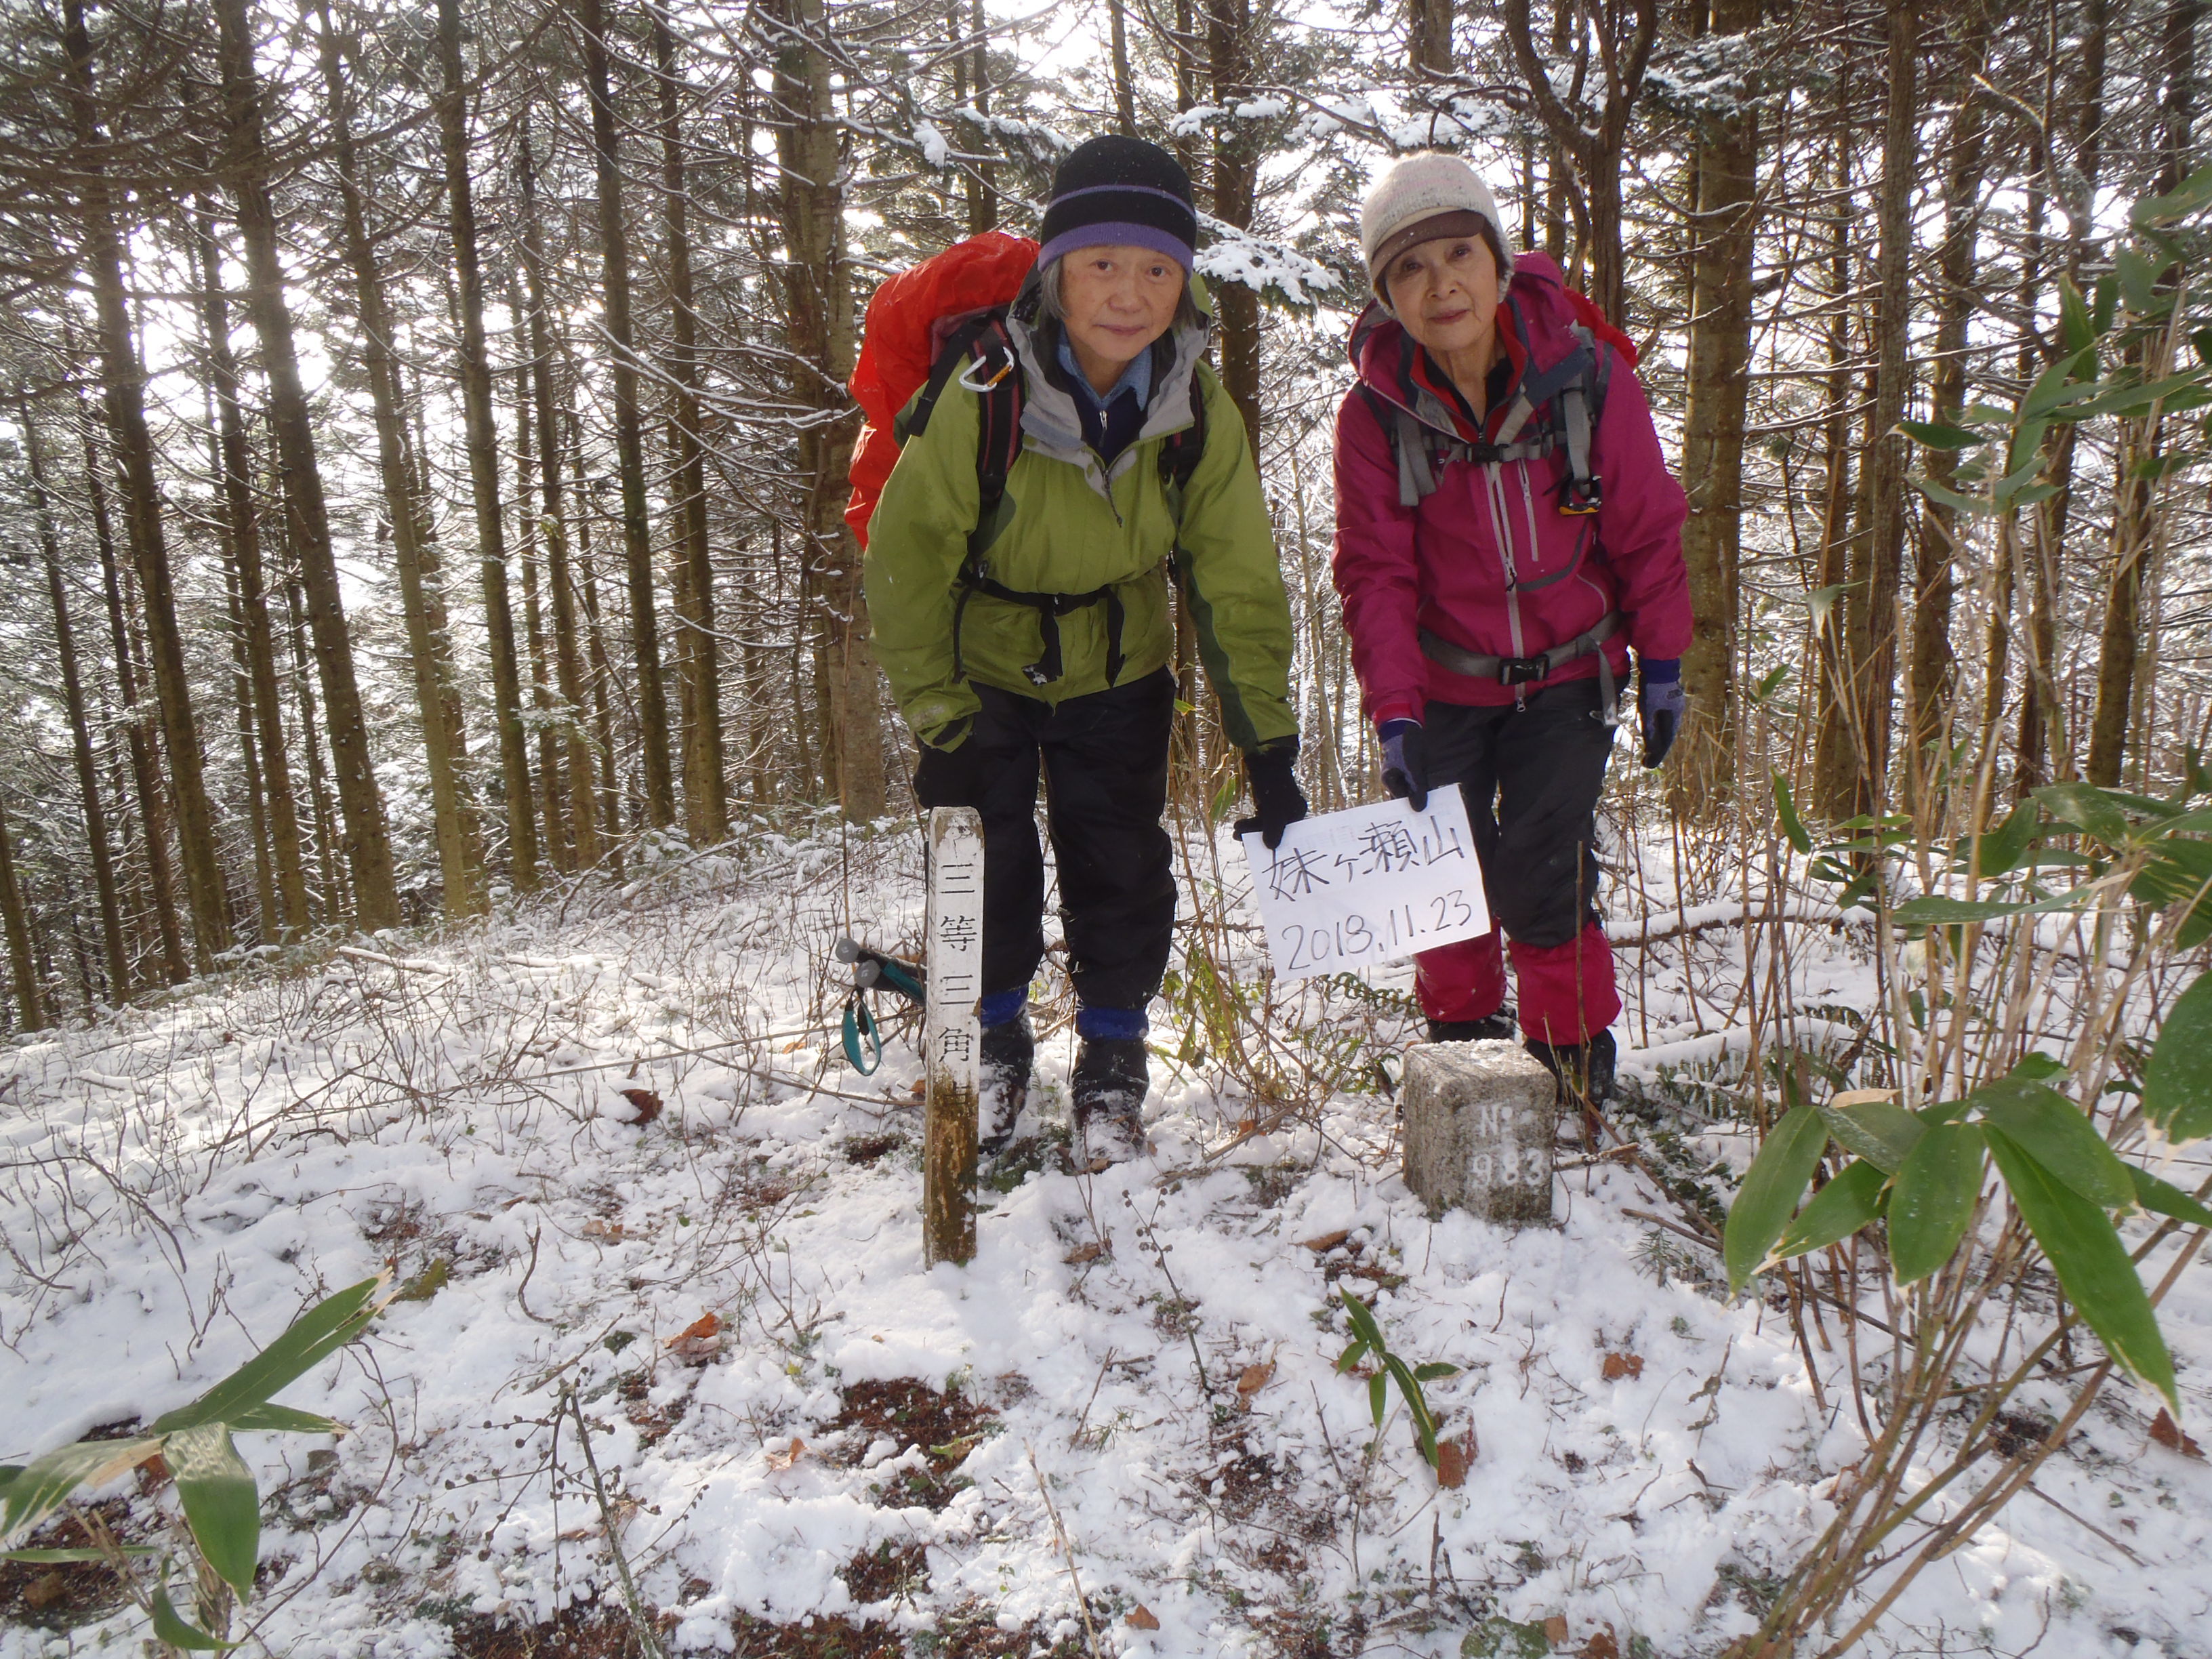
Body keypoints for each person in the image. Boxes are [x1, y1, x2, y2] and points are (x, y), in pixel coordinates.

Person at [865, 135, 1306, 1167]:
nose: (1128, 293)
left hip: (1120, 666)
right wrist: (937, 715)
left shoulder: (1194, 403)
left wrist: (1268, 742)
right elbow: (907, 556)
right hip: (984, 668)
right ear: (1056, 270)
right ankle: (995, 1042)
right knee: (991, 862)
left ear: (1185, 282)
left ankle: (1113, 1060)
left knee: (1120, 861)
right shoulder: (987, 388)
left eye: (1157, 268)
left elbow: (1235, 572)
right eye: (1102, 262)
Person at [1330, 151, 1692, 1103]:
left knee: (1544, 864)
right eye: (1410, 268)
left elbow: (1646, 524)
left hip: (1571, 674)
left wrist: (1662, 658)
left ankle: (1571, 1052)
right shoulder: (1375, 414)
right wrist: (1395, 709)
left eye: (1460, 253)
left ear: (1497, 261)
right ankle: (1462, 1038)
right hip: (1445, 680)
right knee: (1443, 868)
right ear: (1387, 295)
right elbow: (1375, 571)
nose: (1441, 284)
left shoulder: (1588, 376)